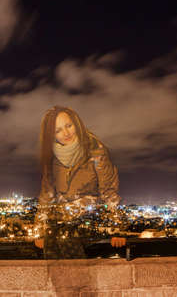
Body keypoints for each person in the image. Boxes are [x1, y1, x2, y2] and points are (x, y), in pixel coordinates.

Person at [34, 106, 126, 258]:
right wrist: (39, 231)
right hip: (62, 221)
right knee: (55, 236)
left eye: (69, 126)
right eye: (58, 130)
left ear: (77, 124)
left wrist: (117, 229)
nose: (66, 133)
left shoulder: (96, 151)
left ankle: (75, 278)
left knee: (64, 235)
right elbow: (46, 195)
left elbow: (109, 191)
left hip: (90, 218)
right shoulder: (51, 159)